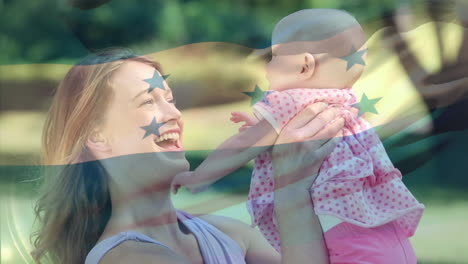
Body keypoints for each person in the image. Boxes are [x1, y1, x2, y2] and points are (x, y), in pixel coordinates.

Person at [30, 48, 345, 264]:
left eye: (170, 99)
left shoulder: (227, 233)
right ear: (97, 137)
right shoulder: (130, 257)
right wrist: (291, 192)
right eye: (148, 102)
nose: (174, 114)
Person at [172, 9, 424, 263]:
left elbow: (242, 146)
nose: (268, 66)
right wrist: (266, 128)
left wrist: (198, 176)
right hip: (382, 230)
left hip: (337, 229)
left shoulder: (290, 100)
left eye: (274, 56)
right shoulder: (344, 101)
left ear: (305, 66)